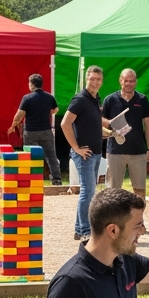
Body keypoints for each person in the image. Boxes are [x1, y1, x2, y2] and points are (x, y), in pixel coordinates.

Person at [61, 66, 108, 243]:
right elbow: (65, 124)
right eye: (92, 79)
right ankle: (84, 231)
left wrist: (103, 132)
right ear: (86, 79)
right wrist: (77, 148)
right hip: (85, 154)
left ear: (102, 81)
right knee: (87, 193)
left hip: (95, 152)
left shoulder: (95, 98)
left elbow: (89, 122)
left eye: (98, 79)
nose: (95, 82)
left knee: (89, 191)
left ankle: (78, 229)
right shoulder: (80, 99)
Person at [101, 69, 149, 199]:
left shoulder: (142, 99)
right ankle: (112, 219)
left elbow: (148, 125)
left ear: (136, 82)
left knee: (139, 191)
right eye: (126, 81)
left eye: (132, 81)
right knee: (113, 191)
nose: (128, 84)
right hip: (115, 152)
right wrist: (108, 127)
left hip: (138, 152)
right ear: (120, 81)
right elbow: (101, 121)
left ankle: (139, 219)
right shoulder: (110, 99)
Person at [10, 74, 63, 184]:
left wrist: (14, 124)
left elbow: (19, 115)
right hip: (46, 130)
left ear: (31, 84)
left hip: (30, 131)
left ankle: (33, 179)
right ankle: (57, 179)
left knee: (31, 155)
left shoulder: (27, 98)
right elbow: (55, 110)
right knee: (51, 155)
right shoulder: (49, 97)